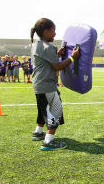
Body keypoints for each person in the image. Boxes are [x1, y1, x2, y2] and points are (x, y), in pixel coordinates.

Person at [30, 17, 79, 151]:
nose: (55, 34)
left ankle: (38, 132)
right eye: (53, 31)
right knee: (55, 111)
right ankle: (48, 141)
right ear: (45, 31)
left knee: (43, 109)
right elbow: (57, 67)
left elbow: (46, 60)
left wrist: (56, 53)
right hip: (47, 85)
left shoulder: (36, 44)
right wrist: (72, 58)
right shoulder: (47, 47)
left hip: (39, 84)